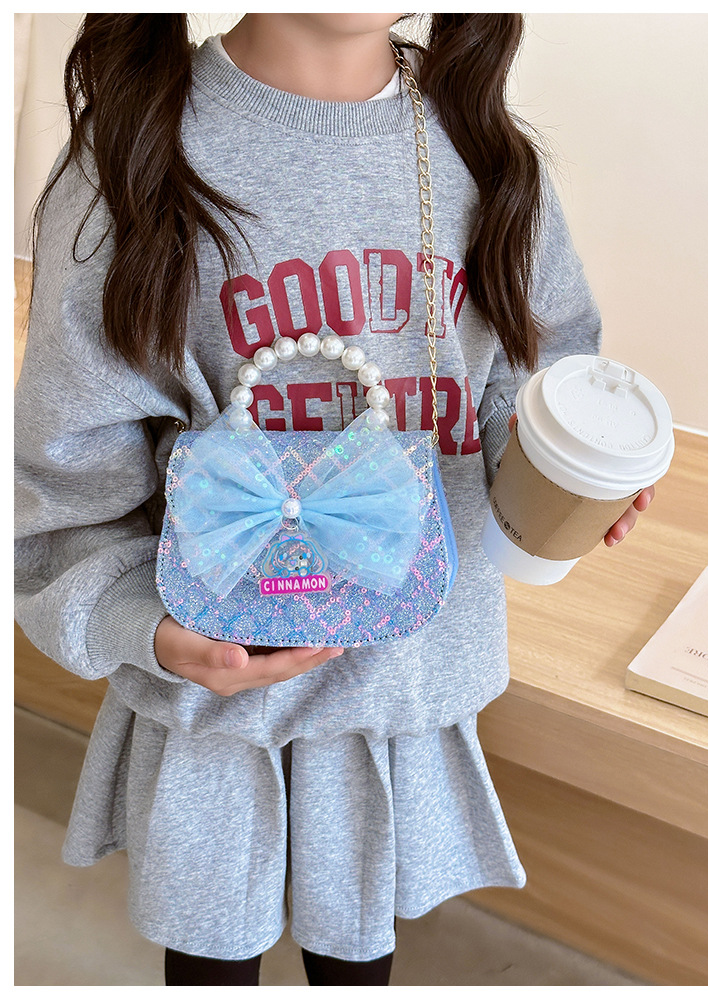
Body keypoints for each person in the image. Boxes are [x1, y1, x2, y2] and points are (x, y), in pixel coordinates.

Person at [14, 13, 653, 987]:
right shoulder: (132, 154)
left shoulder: (484, 151)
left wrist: (565, 466)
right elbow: (64, 475)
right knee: (211, 960)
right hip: (217, 688)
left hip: (405, 677)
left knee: (358, 964)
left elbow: (529, 373)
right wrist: (143, 622)